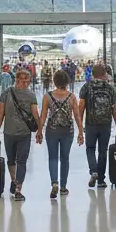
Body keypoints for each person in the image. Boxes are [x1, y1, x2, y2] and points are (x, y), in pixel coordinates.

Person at [0, 68, 40, 201]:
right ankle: (14, 180)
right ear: (17, 80)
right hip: (9, 133)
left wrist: (40, 130)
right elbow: (1, 114)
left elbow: (35, 114)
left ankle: (18, 188)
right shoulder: (6, 94)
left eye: (27, 80)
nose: (25, 82)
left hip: (24, 133)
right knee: (11, 160)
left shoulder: (31, 95)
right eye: (23, 80)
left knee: (22, 161)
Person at [38, 69, 83, 199]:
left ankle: (54, 183)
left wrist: (39, 131)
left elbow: (43, 116)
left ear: (54, 81)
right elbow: (77, 116)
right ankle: (63, 187)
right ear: (67, 82)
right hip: (67, 131)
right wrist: (81, 131)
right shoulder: (71, 97)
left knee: (53, 157)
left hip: (52, 130)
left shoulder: (47, 96)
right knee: (65, 158)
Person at [79, 62, 116, 189]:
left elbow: (81, 106)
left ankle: (94, 171)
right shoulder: (109, 88)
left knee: (90, 148)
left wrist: (80, 125)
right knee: (103, 151)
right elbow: (114, 109)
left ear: (92, 74)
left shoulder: (86, 87)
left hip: (91, 124)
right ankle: (101, 180)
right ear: (104, 74)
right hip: (105, 124)